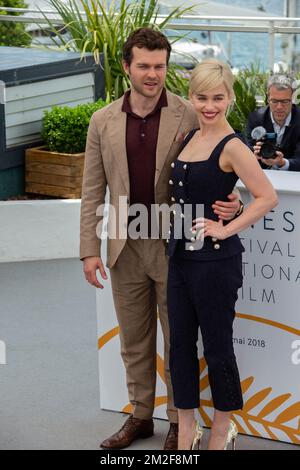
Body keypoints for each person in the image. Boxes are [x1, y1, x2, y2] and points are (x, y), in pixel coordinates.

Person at [80, 28, 242, 450]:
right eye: (144, 66)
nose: (153, 74)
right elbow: (91, 190)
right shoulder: (102, 121)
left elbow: (226, 161)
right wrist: (88, 251)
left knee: (178, 338)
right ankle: (139, 415)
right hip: (123, 244)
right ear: (126, 67)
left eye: (160, 66)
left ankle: (178, 421)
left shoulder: (191, 112)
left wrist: (235, 205)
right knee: (134, 340)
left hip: (175, 245)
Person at [167, 59, 278, 450]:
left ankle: (220, 430)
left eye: (217, 97)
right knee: (180, 345)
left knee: (217, 347)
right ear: (191, 98)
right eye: (201, 97)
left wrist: (226, 227)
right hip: (179, 256)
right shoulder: (188, 138)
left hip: (216, 262)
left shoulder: (233, 145)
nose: (209, 105)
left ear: (229, 98)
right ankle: (185, 430)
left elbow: (267, 197)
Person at [246, 74, 300, 171]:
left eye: (285, 101)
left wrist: (282, 163)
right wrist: (254, 154)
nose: (279, 107)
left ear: (293, 100)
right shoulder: (255, 119)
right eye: (274, 101)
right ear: (268, 99)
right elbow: (246, 151)